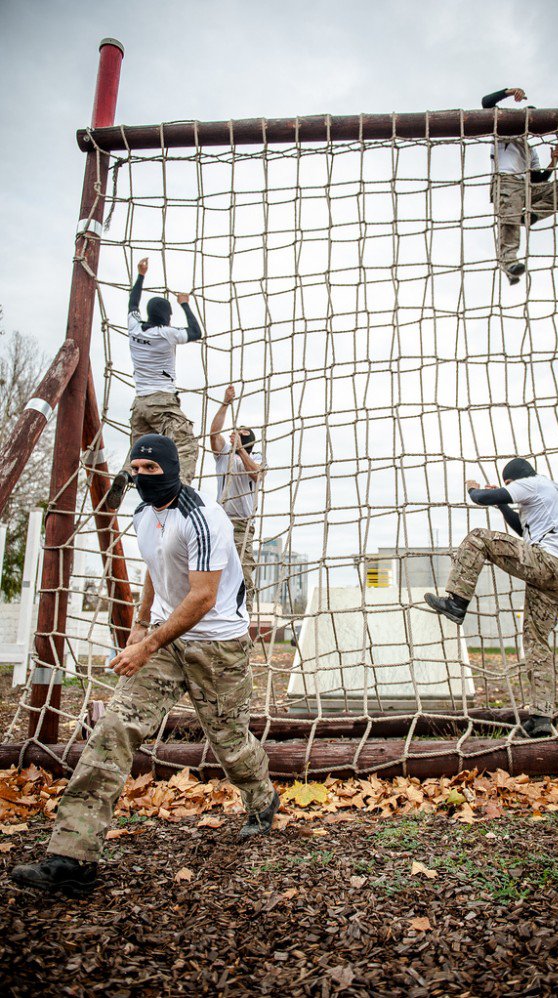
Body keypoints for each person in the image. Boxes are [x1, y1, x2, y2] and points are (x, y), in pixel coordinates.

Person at [12, 434, 279, 896]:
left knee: (230, 744)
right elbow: (156, 570)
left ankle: (262, 798)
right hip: (164, 642)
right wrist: (140, 626)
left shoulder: (204, 517)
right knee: (113, 730)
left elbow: (202, 597)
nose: (141, 476)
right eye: (135, 468)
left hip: (217, 646)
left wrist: (146, 644)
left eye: (151, 469)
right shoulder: (141, 513)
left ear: (172, 469)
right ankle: (72, 857)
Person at [425, 458, 558, 738]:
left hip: (545, 562)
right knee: (536, 643)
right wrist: (503, 505)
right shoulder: (550, 490)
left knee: (478, 538)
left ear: (513, 480)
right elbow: (522, 530)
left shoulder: (532, 484)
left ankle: (457, 602)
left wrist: (474, 489)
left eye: (509, 486)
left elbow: (481, 498)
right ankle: (541, 718)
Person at [107, 258, 203, 508]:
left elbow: (132, 303)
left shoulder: (135, 328)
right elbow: (196, 332)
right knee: (185, 444)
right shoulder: (167, 333)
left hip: (139, 403)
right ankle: (181, 493)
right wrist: (185, 304)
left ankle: (126, 473)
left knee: (140, 451)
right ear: (167, 317)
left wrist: (140, 276)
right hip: (162, 401)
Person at [482, 87, 558, 284]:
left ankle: (531, 216)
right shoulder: (503, 131)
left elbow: (538, 179)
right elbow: (486, 103)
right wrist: (509, 92)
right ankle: (510, 263)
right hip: (506, 181)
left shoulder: (530, 151)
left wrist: (553, 163)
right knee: (509, 220)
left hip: (526, 187)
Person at [210, 385, 266, 617]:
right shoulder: (224, 454)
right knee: (215, 573)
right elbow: (214, 434)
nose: (238, 434)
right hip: (220, 522)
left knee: (243, 575)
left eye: (243, 434)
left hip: (242, 526)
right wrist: (225, 403)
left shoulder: (255, 456)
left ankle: (244, 618)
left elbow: (257, 474)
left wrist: (241, 450)